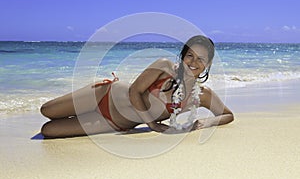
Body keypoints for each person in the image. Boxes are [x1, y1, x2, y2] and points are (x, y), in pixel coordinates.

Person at [40, 35, 234, 138]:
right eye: (190, 55)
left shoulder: (202, 95)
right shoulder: (165, 66)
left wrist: (201, 123)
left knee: (48, 130)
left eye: (201, 59)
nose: (193, 62)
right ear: (183, 56)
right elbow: (135, 91)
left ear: (208, 64)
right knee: (46, 110)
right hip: (104, 95)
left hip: (114, 123)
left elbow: (227, 115)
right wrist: (151, 124)